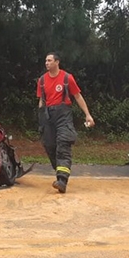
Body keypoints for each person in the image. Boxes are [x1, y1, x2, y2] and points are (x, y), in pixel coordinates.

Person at [37, 52, 94, 193]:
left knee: (63, 144)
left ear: (57, 62)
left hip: (63, 116)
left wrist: (88, 115)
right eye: (46, 61)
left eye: (49, 60)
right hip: (48, 116)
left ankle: (62, 180)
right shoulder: (42, 80)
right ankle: (60, 172)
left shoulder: (67, 78)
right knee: (49, 145)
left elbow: (78, 96)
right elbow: (41, 101)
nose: (46, 63)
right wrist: (40, 120)